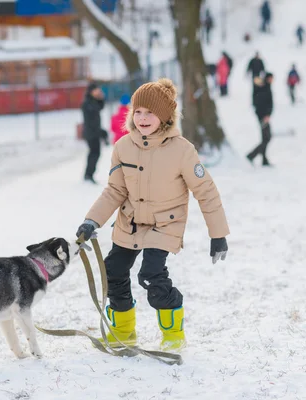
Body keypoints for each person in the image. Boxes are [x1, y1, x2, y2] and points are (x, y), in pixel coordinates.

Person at [75, 78, 230, 351]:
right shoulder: (123, 147)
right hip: (130, 223)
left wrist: (217, 234)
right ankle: (124, 331)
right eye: (138, 112)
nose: (143, 118)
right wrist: (91, 220)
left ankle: (172, 335)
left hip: (164, 225)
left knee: (151, 276)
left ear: (165, 117)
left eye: (150, 112)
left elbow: (205, 191)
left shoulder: (182, 150)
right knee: (113, 272)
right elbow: (114, 191)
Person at [81, 83, 107, 183]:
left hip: (94, 132)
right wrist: (100, 131)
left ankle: (89, 174)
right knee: (94, 153)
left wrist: (100, 98)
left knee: (94, 153)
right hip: (91, 133)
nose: (98, 92)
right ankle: (88, 174)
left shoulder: (92, 101)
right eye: (96, 90)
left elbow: (100, 107)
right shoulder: (87, 103)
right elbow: (92, 118)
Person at [247, 73, 274, 167]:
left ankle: (263, 159)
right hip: (263, 117)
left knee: (266, 138)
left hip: (265, 116)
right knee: (267, 137)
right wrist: (265, 115)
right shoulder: (262, 88)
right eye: (271, 78)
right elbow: (260, 102)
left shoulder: (266, 87)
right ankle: (252, 155)